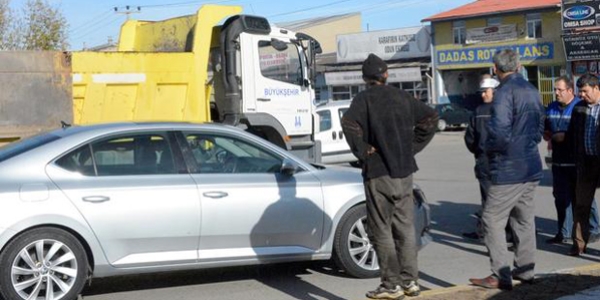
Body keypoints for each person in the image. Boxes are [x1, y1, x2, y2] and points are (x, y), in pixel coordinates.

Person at [342, 53, 438, 299]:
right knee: (405, 227)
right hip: (404, 173)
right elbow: (430, 118)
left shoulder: (363, 100)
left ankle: (390, 285)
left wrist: (363, 150)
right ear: (385, 75)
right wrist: (412, 147)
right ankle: (411, 282)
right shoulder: (403, 97)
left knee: (381, 229)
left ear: (365, 78)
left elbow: (349, 123)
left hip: (378, 174)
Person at [469, 49, 545, 290]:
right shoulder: (532, 90)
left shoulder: (503, 93)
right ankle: (525, 270)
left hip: (509, 168)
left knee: (492, 219)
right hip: (531, 164)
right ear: (519, 65)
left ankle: (500, 274)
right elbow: (539, 127)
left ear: (496, 68)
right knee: (523, 220)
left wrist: (491, 150)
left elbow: (499, 131)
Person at [545, 76, 600, 245]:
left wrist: (564, 137)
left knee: (585, 200)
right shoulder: (572, 108)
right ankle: (569, 235)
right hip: (571, 161)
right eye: (555, 89)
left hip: (583, 160)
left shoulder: (577, 106)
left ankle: (594, 229)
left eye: (559, 90)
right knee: (566, 198)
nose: (556, 93)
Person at [567, 73, 600, 256]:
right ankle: (579, 243)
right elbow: (573, 134)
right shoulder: (579, 108)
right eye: (580, 91)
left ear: (596, 88)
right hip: (586, 162)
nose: (582, 95)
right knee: (581, 204)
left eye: (585, 91)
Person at [463, 76, 499, 240]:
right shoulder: (504, 110)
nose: (483, 95)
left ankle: (487, 232)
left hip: (484, 161)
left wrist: (478, 151)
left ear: (495, 91)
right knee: (503, 199)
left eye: (486, 91)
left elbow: (470, 140)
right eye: (482, 92)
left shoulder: (478, 112)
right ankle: (508, 233)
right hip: (501, 161)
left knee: (488, 199)